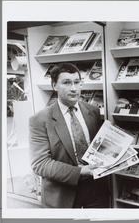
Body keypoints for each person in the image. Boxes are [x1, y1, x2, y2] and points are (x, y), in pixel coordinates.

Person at [29, 63, 110, 208]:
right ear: (54, 86)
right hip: (62, 194)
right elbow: (40, 164)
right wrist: (79, 172)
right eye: (66, 83)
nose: (73, 88)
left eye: (77, 82)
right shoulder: (40, 120)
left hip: (96, 190)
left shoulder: (93, 111)